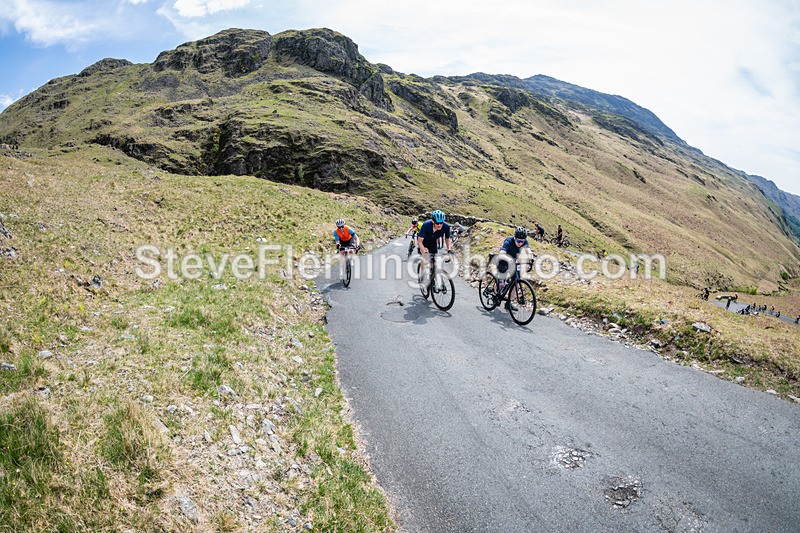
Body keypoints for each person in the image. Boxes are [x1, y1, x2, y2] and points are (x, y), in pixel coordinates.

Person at [496, 226, 532, 310]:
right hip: (504, 260)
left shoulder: (525, 242)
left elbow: (529, 251)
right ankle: (495, 294)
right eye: (518, 241)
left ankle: (509, 303)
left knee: (517, 284)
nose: (520, 243)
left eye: (522, 241)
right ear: (514, 238)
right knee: (501, 282)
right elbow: (502, 253)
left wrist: (531, 258)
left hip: (516, 262)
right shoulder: (509, 240)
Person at [417, 210, 453, 275]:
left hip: (433, 242)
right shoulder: (426, 225)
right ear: (433, 221)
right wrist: (424, 252)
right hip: (424, 242)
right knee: (425, 257)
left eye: (441, 223)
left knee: (434, 263)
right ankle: (422, 273)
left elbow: (447, 239)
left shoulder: (446, 226)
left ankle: (432, 279)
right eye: (437, 223)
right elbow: (419, 242)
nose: (439, 225)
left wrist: (449, 249)